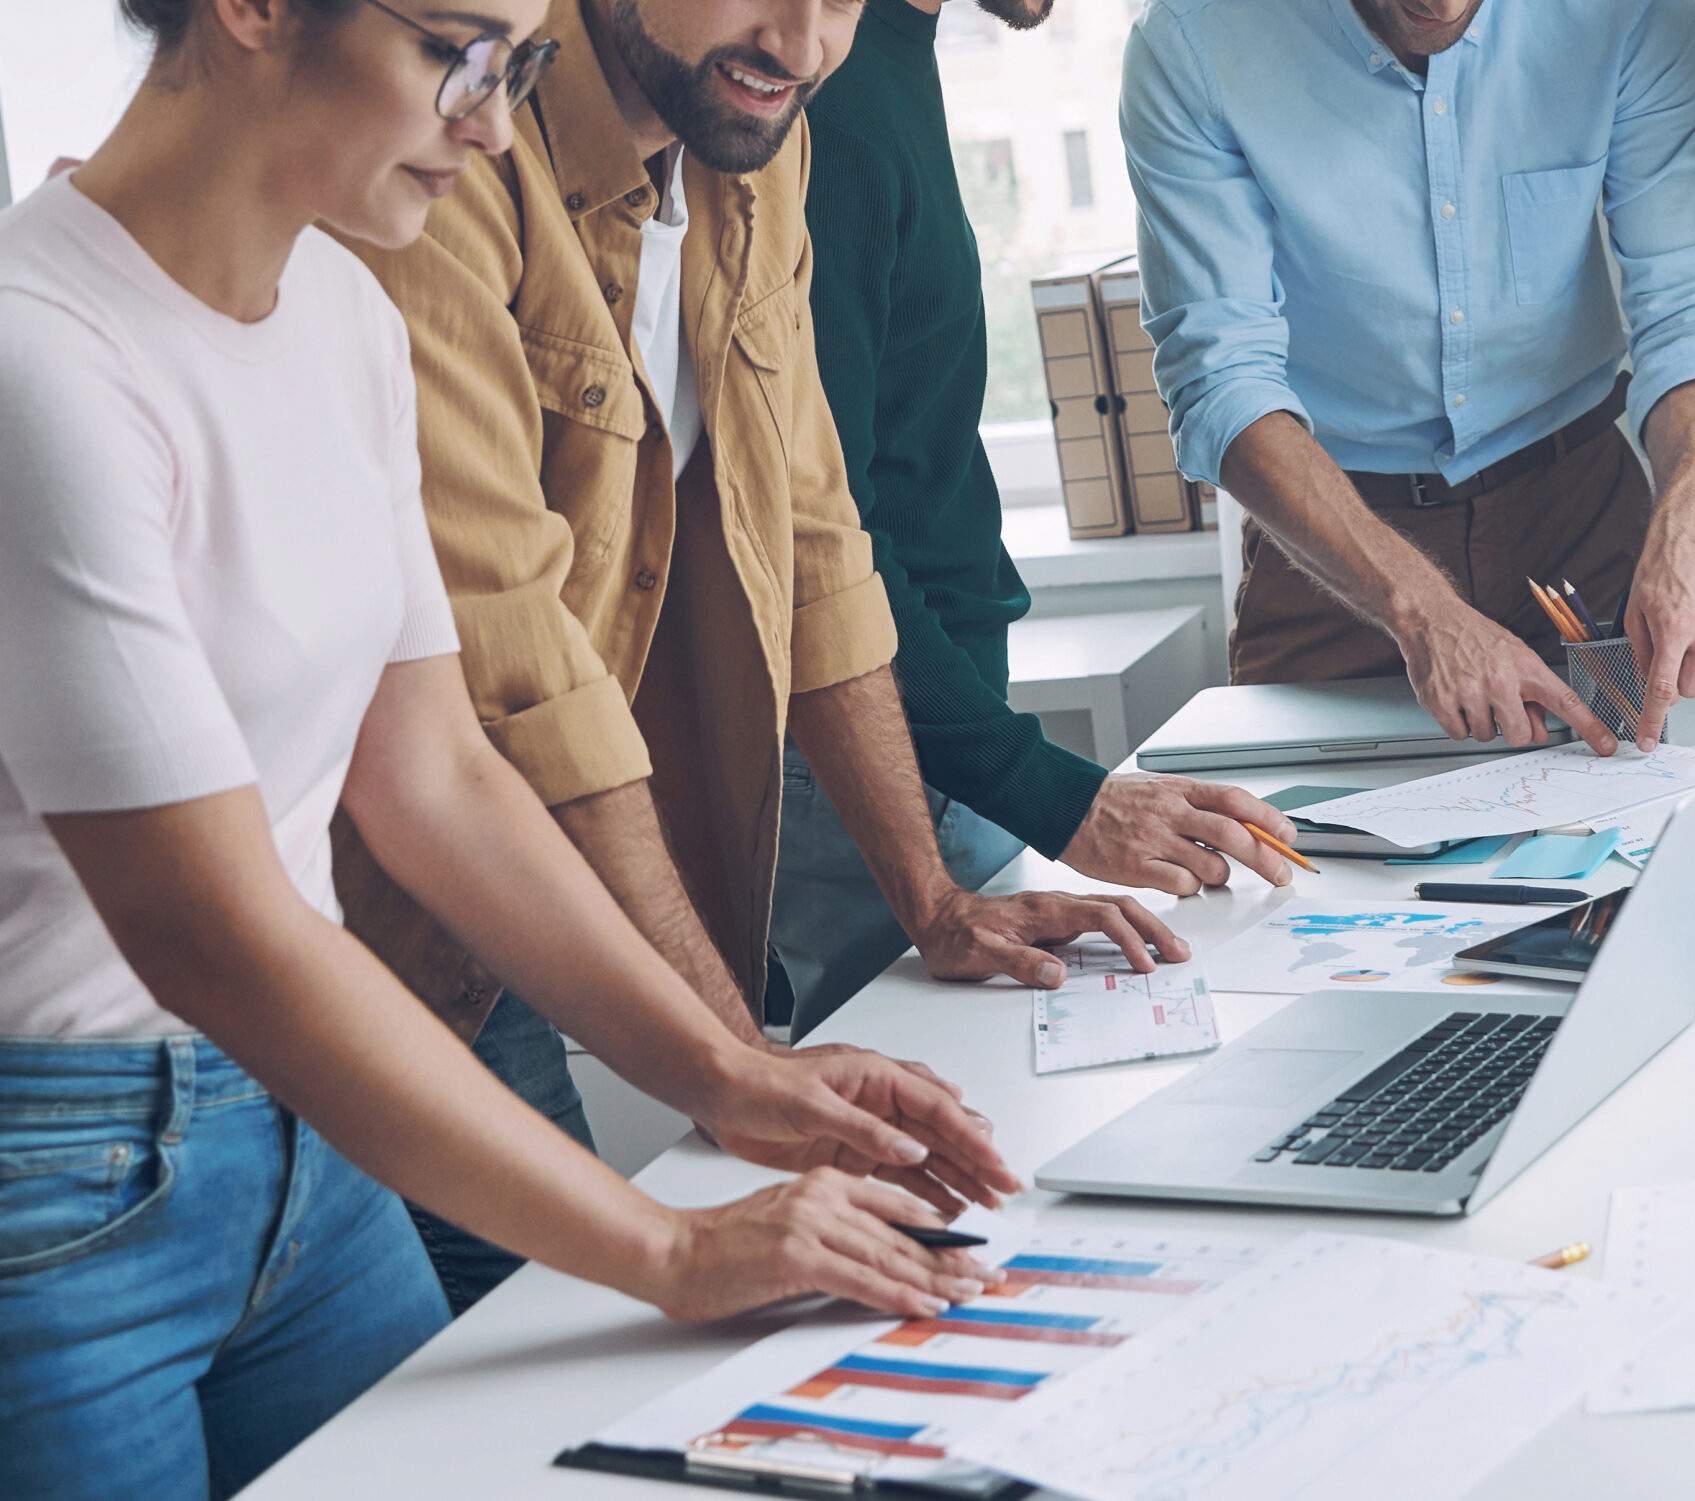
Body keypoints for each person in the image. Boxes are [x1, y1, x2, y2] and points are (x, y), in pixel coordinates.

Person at [0, 2, 1006, 1496]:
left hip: (320, 1135)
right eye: (455, 55)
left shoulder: (343, 315)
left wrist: (728, 1074)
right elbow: (218, 931)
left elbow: (436, 777)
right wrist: (664, 1245)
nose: (489, 123)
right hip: (63, 1189)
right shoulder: (40, 359)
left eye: (522, 70)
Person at [327, 0, 1187, 1310]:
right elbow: (525, 670)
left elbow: (815, 537)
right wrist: (744, 1073)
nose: (801, 34)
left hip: (483, 916)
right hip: (343, 932)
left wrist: (936, 904)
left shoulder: (748, 138)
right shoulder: (459, 154)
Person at [782, 0, 1299, 1037]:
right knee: (909, 1151)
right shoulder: (823, 102)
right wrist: (1055, 795)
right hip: (867, 747)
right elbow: (816, 538)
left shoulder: (884, 57)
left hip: (943, 724)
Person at [1121, 0, 1695, 754]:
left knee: (1640, 827)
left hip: (1582, 521)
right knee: (1307, 856)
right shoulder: (1193, 41)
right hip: (1336, 546)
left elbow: (1691, 297)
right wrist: (1420, 609)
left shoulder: (1624, 12)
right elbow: (1219, 376)